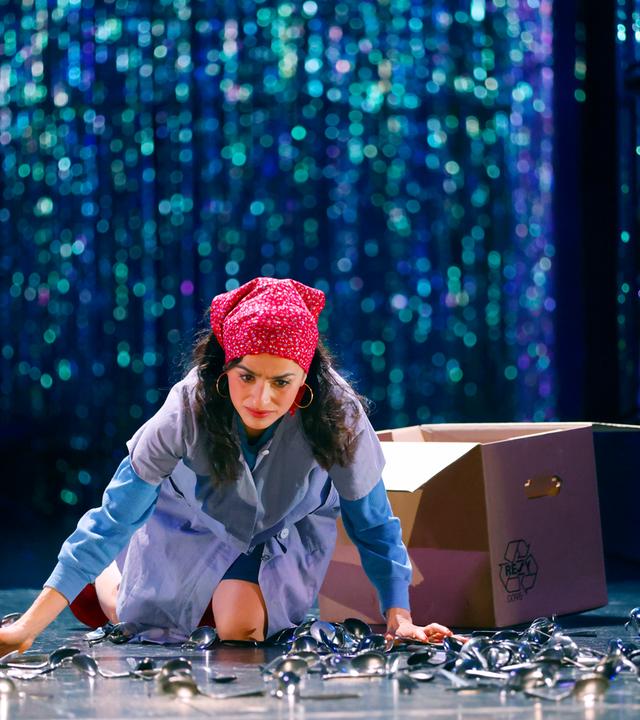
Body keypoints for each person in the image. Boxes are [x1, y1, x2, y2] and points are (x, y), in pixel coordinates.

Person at [0, 277, 453, 655]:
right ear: (225, 369)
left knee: (242, 628)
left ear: (306, 377)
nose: (261, 398)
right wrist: (26, 629)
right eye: (246, 377)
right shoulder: (186, 409)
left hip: (281, 534)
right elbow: (113, 519)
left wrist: (399, 617)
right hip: (189, 523)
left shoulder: (340, 414)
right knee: (140, 617)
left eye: (281, 382)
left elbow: (373, 524)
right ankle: (113, 576)